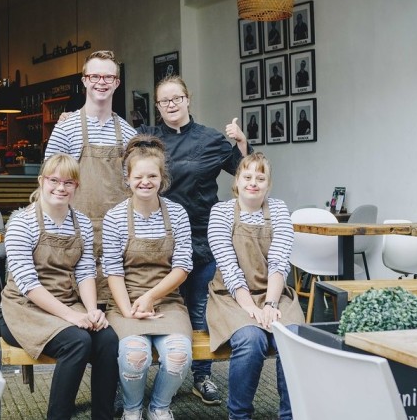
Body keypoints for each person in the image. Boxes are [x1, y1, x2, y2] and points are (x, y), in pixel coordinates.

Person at [136, 75, 250, 406]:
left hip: (202, 235)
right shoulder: (149, 140)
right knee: (156, 304)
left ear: (188, 99)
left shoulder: (211, 139)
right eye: (164, 101)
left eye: (176, 98)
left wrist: (241, 142)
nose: (171, 105)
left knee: (200, 308)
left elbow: (243, 173)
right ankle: (145, 377)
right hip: (159, 236)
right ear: (157, 107)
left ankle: (202, 375)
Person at [0, 154, 118, 420]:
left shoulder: (82, 223)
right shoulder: (21, 222)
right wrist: (72, 316)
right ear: (41, 181)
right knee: (77, 341)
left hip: (67, 303)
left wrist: (91, 311)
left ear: (76, 187)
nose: (60, 188)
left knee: (108, 339)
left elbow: (86, 270)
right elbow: (28, 284)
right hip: (24, 309)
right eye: (54, 180)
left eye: (68, 182)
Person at [206, 152, 303, 420]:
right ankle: (238, 415)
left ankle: (291, 414)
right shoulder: (222, 212)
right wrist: (251, 308)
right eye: (247, 176)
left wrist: (271, 304)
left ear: (268, 185)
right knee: (251, 340)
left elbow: (279, 262)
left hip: (273, 291)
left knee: (292, 336)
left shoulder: (279, 209)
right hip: (231, 295)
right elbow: (228, 267)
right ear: (236, 181)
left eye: (261, 178)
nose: (253, 183)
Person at [102, 135, 193, 420]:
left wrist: (151, 297)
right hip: (124, 302)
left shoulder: (177, 213)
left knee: (179, 356)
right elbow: (113, 270)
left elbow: (182, 267)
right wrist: (130, 308)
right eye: (138, 176)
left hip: (167, 302)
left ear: (162, 177)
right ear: (127, 178)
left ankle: (159, 407)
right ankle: (132, 410)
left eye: (152, 175)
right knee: (134, 356)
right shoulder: (114, 217)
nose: (145, 182)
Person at [45, 50, 137, 306]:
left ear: (117, 83)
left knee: (112, 304)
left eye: (108, 77)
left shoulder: (129, 133)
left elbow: (137, 184)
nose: (101, 82)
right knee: (74, 302)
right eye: (95, 76)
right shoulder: (66, 127)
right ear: (84, 80)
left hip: (116, 234)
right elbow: (48, 180)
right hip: (74, 230)